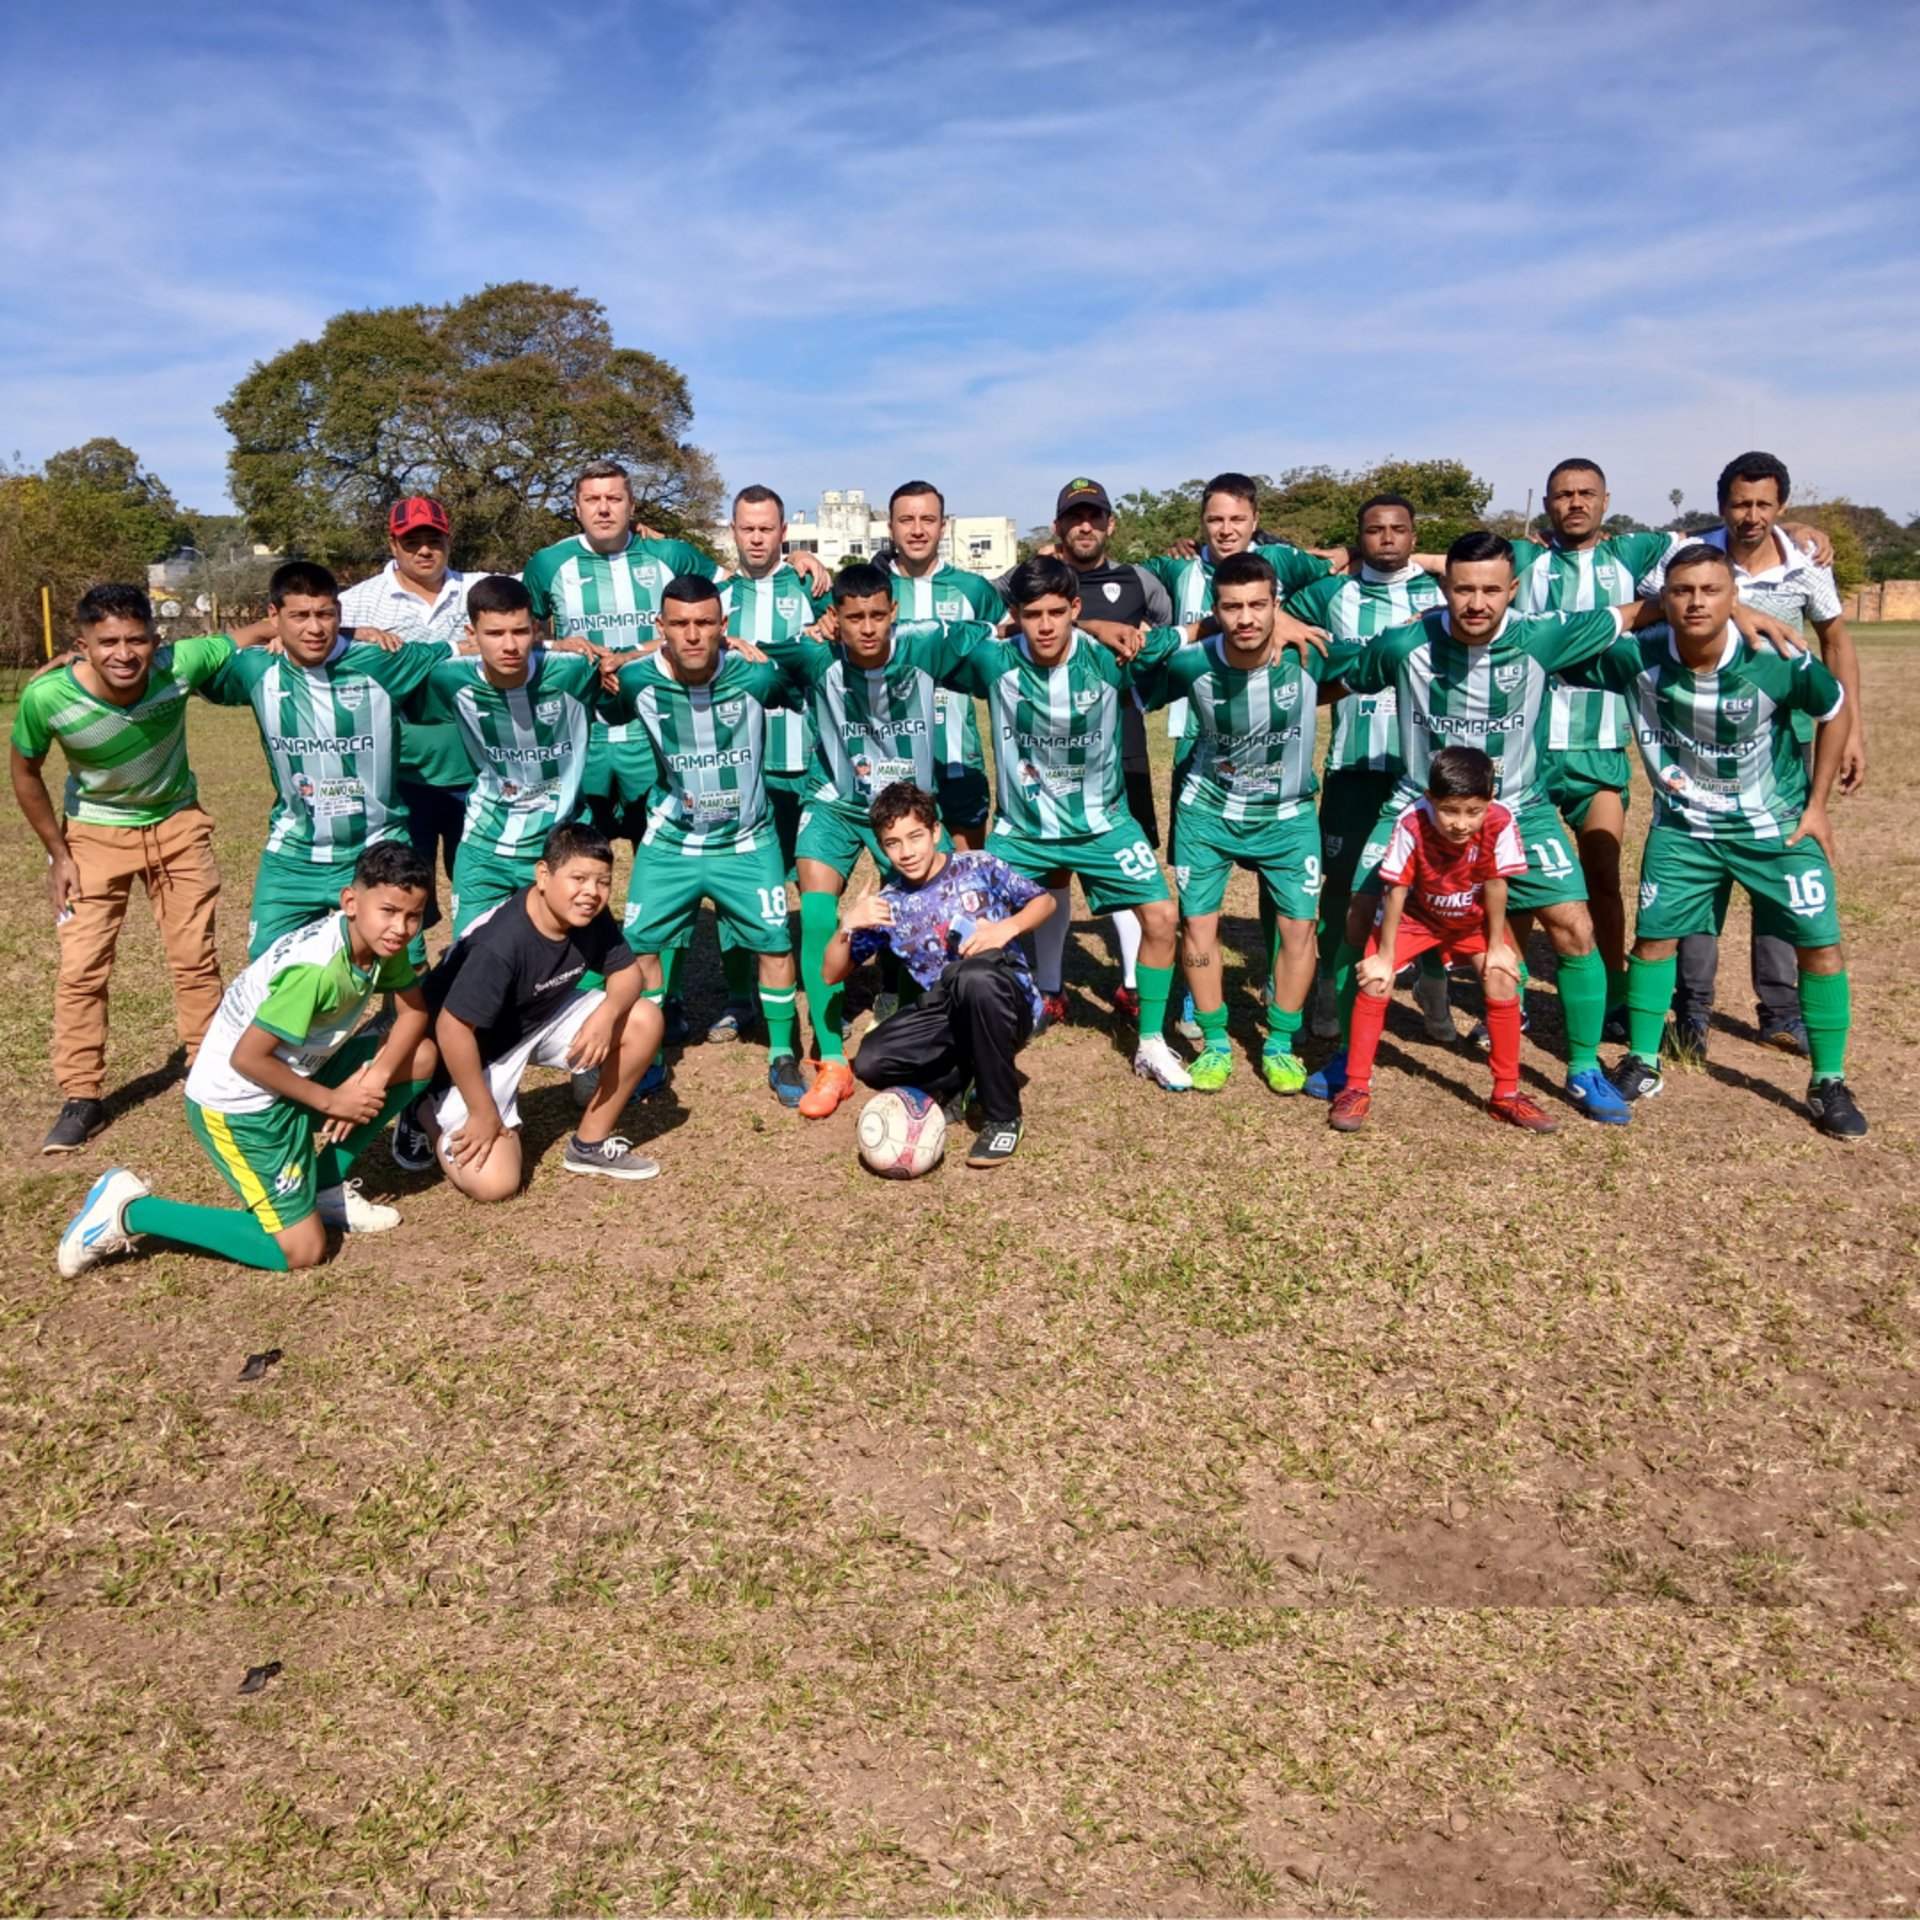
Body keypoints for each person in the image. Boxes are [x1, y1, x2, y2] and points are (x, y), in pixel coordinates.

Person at [1317, 530, 1672, 1124]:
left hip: (1519, 808)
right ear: (1444, 588)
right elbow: (1335, 681)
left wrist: (1738, 604)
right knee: (1359, 915)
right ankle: (1347, 1060)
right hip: (1416, 806)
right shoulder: (1406, 643)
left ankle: (1582, 1070)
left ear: (1512, 590)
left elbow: (1639, 609)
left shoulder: (1542, 636)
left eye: (1489, 590)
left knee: (1573, 926)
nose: (1475, 603)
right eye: (1462, 590)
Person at [1559, 543, 1865, 1137]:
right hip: (1684, 830)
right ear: (1663, 598)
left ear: (1735, 598)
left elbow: (1833, 708)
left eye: (1710, 590)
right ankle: (1644, 1062)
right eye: (1682, 591)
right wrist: (1643, 611)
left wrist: (1818, 807)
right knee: (1653, 943)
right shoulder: (1636, 654)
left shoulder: (1774, 656)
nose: (1695, 602)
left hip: (1774, 827)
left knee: (1820, 945)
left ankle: (1829, 1079)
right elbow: (1559, 645)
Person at [56, 842, 439, 1278]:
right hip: (241, 1105)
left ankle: (325, 1186)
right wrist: (334, 1101)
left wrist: (374, 1081)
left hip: (296, 1073)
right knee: (302, 1250)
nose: (401, 928)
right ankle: (129, 1210)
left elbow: (414, 1013)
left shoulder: (377, 945)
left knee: (420, 1056)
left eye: (413, 916)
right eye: (388, 911)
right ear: (350, 902)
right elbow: (248, 1058)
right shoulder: (315, 971)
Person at [930, 555, 1199, 1090]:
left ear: (1076, 608)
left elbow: (1195, 630)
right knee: (960, 929)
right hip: (1023, 830)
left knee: (1163, 918)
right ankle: (978, 1033)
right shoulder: (993, 659)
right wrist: (996, 626)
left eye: (1058, 611)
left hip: (1102, 824)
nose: (1047, 625)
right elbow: (911, 638)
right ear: (1016, 615)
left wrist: (1277, 620)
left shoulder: (1113, 655)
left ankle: (1148, 1042)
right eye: (1033, 614)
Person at [1638, 453, 1865, 1059]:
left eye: (1764, 504)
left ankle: (1781, 1008)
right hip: (1699, 736)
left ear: (1782, 507)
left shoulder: (1806, 564)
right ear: (1723, 505)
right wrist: (1731, 605)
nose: (1752, 516)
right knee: (1700, 873)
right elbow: (1653, 612)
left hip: (1782, 736)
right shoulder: (1689, 556)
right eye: (1741, 503)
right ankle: (1692, 1011)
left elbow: (1835, 646)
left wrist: (1855, 730)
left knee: (1776, 875)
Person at [749, 562, 978, 1118]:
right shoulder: (814, 655)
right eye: (855, 618)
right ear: (836, 619)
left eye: (878, 614)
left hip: (904, 807)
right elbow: (734, 654)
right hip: (833, 802)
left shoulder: (928, 646)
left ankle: (948, 1041)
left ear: (894, 612)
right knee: (820, 911)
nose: (868, 627)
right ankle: (832, 1061)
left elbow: (1006, 635)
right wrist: (747, 640)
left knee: (941, 918)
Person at [1132, 552, 1361, 1094]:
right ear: (1215, 610)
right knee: (1199, 927)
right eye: (1232, 607)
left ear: (1276, 606)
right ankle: (1215, 1044)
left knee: (1298, 930)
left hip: (1287, 815)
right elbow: (1135, 674)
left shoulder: (1308, 653)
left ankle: (1279, 1042)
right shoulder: (1193, 663)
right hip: (1208, 813)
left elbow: (1383, 657)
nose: (1246, 618)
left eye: (1259, 605)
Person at [11, 584, 227, 1152]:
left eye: (136, 640)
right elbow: (25, 772)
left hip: (178, 827)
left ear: (156, 641)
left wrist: (353, 633)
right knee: (82, 969)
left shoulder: (178, 665)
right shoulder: (47, 697)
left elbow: (256, 633)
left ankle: (208, 1077)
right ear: (81, 645)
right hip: (92, 837)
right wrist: (59, 854)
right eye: (108, 642)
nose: (124, 654)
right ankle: (82, 1095)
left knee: (194, 959)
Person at [522, 460, 722, 1042]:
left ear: (633, 505)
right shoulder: (547, 563)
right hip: (579, 743)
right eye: (592, 499)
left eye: (614, 498)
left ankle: (673, 994)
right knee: (577, 872)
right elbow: (520, 628)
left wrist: (799, 561)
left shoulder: (672, 556)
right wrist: (558, 641)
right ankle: (579, 991)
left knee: (663, 871)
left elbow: (732, 588)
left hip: (650, 739)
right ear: (577, 507)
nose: (604, 508)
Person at [1141, 471, 1337, 1036]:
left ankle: (1284, 1001)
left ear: (1255, 522)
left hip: (1282, 791)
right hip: (1198, 746)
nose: (1225, 529)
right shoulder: (1179, 568)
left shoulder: (1283, 566)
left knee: (1292, 909)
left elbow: (1347, 561)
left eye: (1236, 519)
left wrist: (1289, 621)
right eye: (1214, 519)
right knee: (1199, 903)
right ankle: (1197, 1004)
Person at [608, 576, 809, 1105]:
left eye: (705, 623)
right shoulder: (636, 682)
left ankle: (781, 1053)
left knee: (775, 943)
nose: (693, 635)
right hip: (671, 840)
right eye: (680, 624)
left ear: (724, 627)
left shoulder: (756, 677)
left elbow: (798, 685)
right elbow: (606, 699)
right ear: (661, 628)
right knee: (642, 946)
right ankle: (648, 1056)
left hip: (747, 840)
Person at [199, 560, 462, 958]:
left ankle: (395, 1021)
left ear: (339, 612)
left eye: (325, 614)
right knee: (267, 970)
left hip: (377, 847)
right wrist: (77, 669)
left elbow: (472, 649)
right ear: (274, 616)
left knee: (404, 976)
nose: (315, 627)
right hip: (293, 855)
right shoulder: (257, 668)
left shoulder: (381, 661)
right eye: (299, 616)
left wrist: (556, 646)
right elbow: (175, 666)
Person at [998, 478, 1177, 1024]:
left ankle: (1129, 983)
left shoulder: (1140, 580)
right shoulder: (1025, 579)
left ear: (1109, 524)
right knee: (1052, 875)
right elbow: (1003, 621)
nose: (1085, 526)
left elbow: (1161, 641)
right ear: (1057, 526)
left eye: (1095, 516)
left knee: (1123, 873)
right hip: (1043, 759)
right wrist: (1093, 623)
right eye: (1074, 517)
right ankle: (1050, 986)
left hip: (1118, 746)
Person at [411, 821, 665, 1193]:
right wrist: (483, 1113)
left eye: (603, 881)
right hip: (471, 1053)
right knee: (495, 1185)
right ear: (543, 875)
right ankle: (424, 1108)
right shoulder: (501, 943)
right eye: (578, 878)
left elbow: (628, 973)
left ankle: (588, 1146)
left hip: (534, 1020)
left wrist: (606, 1016)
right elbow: (452, 1029)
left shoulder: (587, 912)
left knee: (643, 1018)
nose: (591, 893)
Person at [1282, 493, 1449, 1042]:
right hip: (1352, 764)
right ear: (1361, 539)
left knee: (1430, 884)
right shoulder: (1335, 593)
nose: (1387, 539)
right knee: (1341, 885)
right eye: (1374, 530)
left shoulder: (1441, 594)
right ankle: (1328, 989)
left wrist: (1437, 565)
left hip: (1424, 769)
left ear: (1413, 538)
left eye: (1398, 529)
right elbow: (1270, 607)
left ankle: (1432, 984)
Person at [824, 782, 1056, 1167]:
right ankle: (966, 1075)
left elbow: (1044, 901)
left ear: (935, 831)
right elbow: (831, 973)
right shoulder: (890, 905)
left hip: (1005, 1001)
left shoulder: (978, 865)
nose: (907, 851)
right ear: (882, 848)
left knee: (973, 977)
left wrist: (1006, 929)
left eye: (915, 836)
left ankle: (1003, 1117)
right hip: (950, 1009)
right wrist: (849, 923)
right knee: (872, 1060)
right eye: (893, 842)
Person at [1331, 747, 1550, 1134]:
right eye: (1449, 810)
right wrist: (1385, 955)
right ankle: (1355, 1087)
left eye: (1473, 811)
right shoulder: (1411, 821)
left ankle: (1507, 1095)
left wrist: (1497, 945)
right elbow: (1396, 889)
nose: (1461, 823)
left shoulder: (1501, 821)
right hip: (1415, 917)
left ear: (1490, 800)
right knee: (1376, 980)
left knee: (1501, 977)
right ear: (1430, 799)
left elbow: (1498, 883)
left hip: (1470, 922)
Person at [409, 575, 610, 937]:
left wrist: (725, 642)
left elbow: (640, 661)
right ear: (471, 635)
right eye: (494, 633)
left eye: (519, 632)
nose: (509, 645)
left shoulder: (574, 670)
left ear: (535, 629)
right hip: (485, 845)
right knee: (471, 960)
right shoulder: (447, 679)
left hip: (561, 844)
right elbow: (370, 659)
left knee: (579, 968)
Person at [703, 483, 828, 1044]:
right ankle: (738, 999)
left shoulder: (810, 584)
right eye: (746, 528)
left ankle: (829, 989)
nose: (756, 537)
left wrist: (826, 627)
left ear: (784, 533)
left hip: (811, 759)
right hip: (739, 763)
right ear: (734, 532)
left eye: (767, 528)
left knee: (816, 886)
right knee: (738, 889)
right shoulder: (715, 594)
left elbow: (852, 631)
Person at [337, 496, 479, 960]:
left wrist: (637, 532)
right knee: (400, 896)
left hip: (476, 772)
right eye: (411, 541)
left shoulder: (478, 589)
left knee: (477, 890)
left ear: (448, 540)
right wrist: (350, 632)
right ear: (392, 543)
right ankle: (409, 999)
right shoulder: (356, 602)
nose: (424, 550)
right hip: (399, 778)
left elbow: (532, 601)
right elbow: (302, 631)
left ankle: (473, 982)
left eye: (433, 539)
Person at [880, 480, 1007, 854]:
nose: (917, 529)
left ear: (942, 526)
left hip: (958, 756)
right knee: (906, 870)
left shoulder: (974, 589)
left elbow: (1008, 653)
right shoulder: (873, 590)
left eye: (927, 519)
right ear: (891, 528)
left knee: (966, 874)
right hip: (891, 761)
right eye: (906, 520)